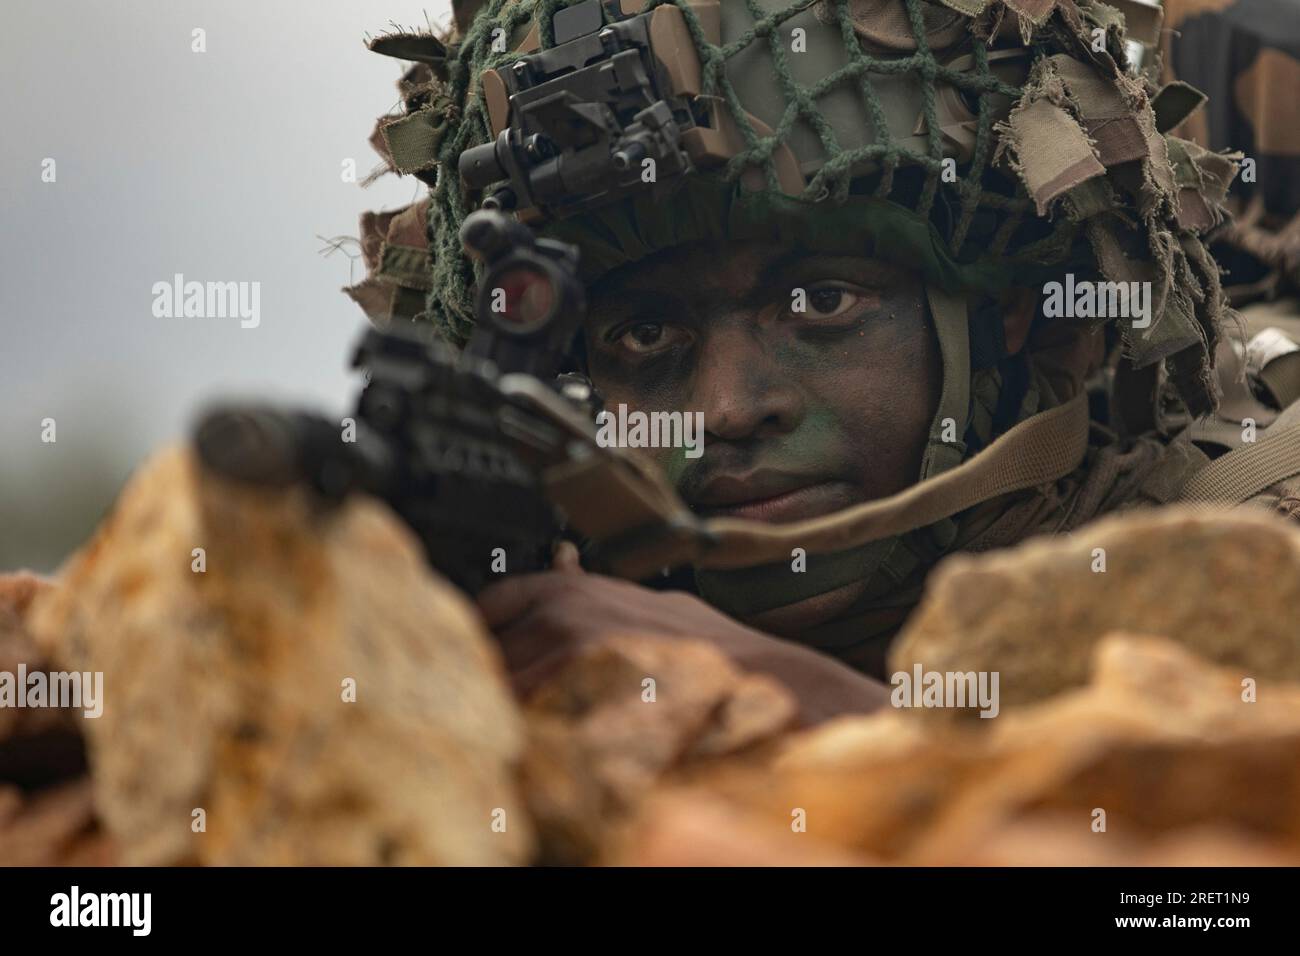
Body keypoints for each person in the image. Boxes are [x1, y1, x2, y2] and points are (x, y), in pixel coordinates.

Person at [347, 0, 1300, 724]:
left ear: (1006, 312)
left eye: (819, 304)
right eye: (644, 336)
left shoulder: (1251, 559)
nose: (726, 407)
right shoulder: (550, 634)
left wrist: (793, 712)